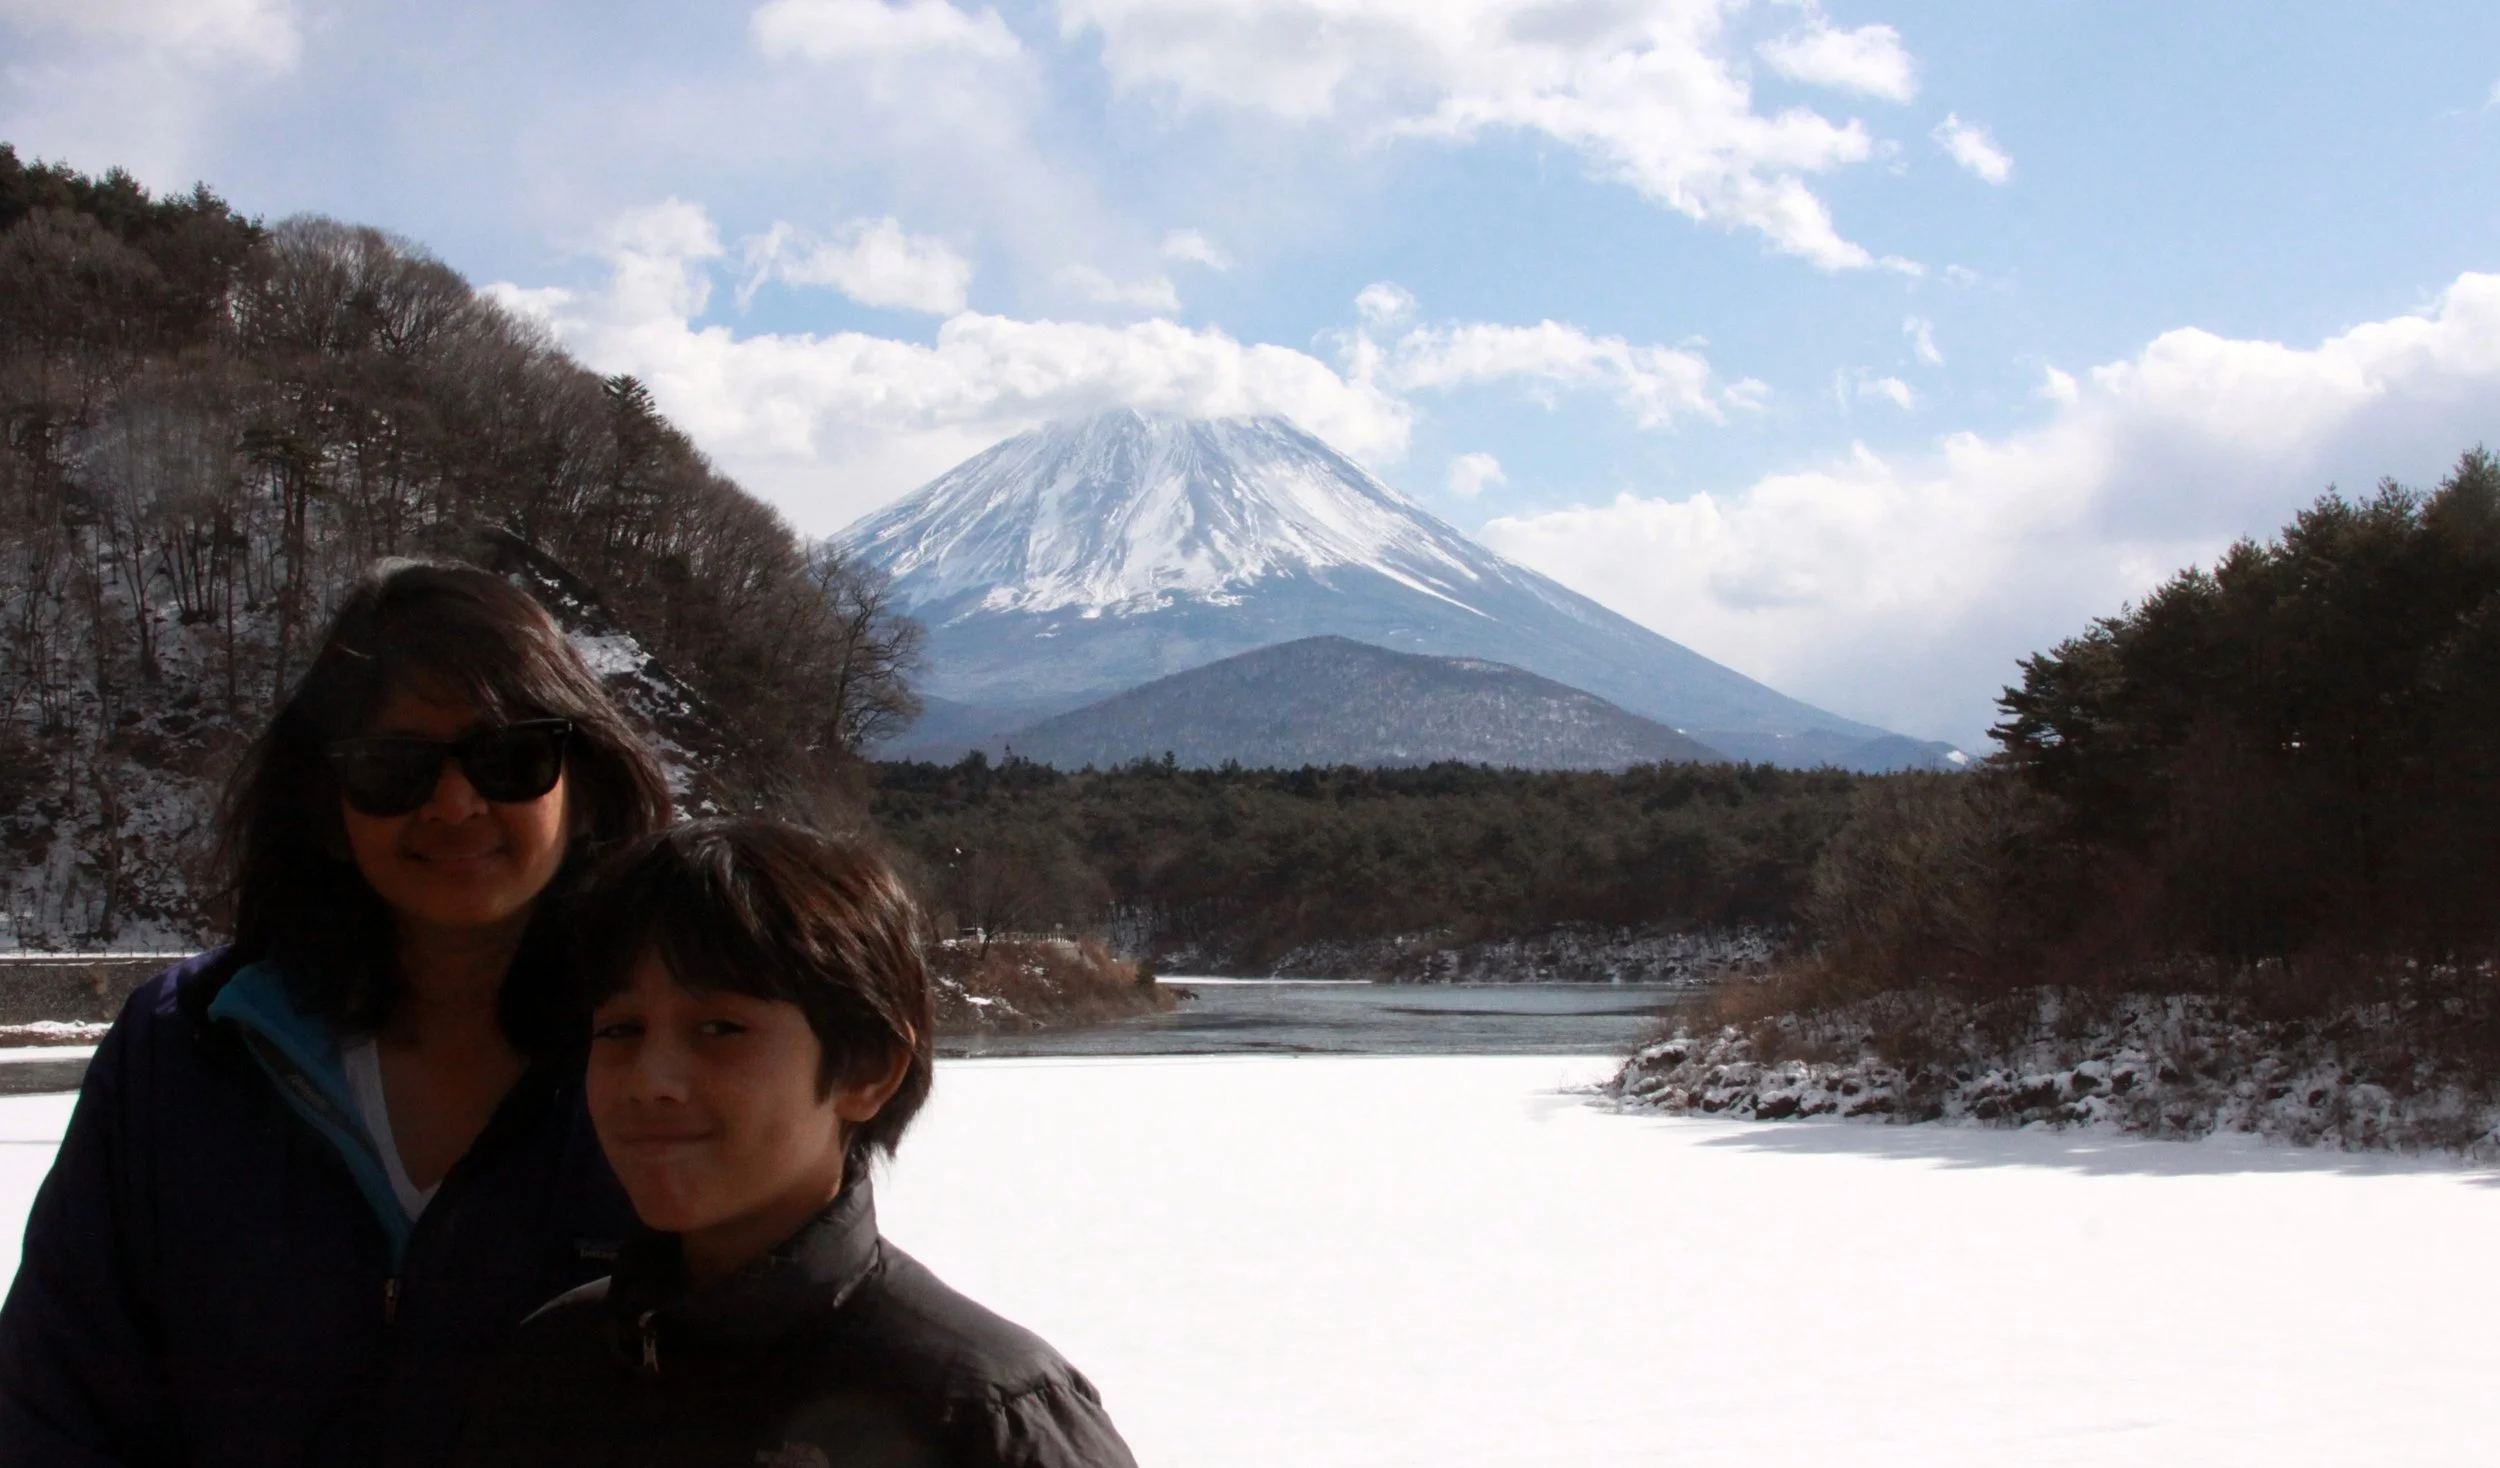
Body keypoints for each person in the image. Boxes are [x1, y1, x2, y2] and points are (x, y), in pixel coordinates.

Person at [0, 559, 674, 1467]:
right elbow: (56, 1399)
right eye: (396, 769)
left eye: (509, 756)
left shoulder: (672, 1060)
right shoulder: (187, 1051)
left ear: (583, 781)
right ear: (327, 806)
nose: (455, 803)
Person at [456, 820, 1138, 1468]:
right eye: (620, 1030)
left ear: (868, 1070)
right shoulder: (552, 1369)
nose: (650, 1082)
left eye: (720, 1028)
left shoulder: (981, 1412)